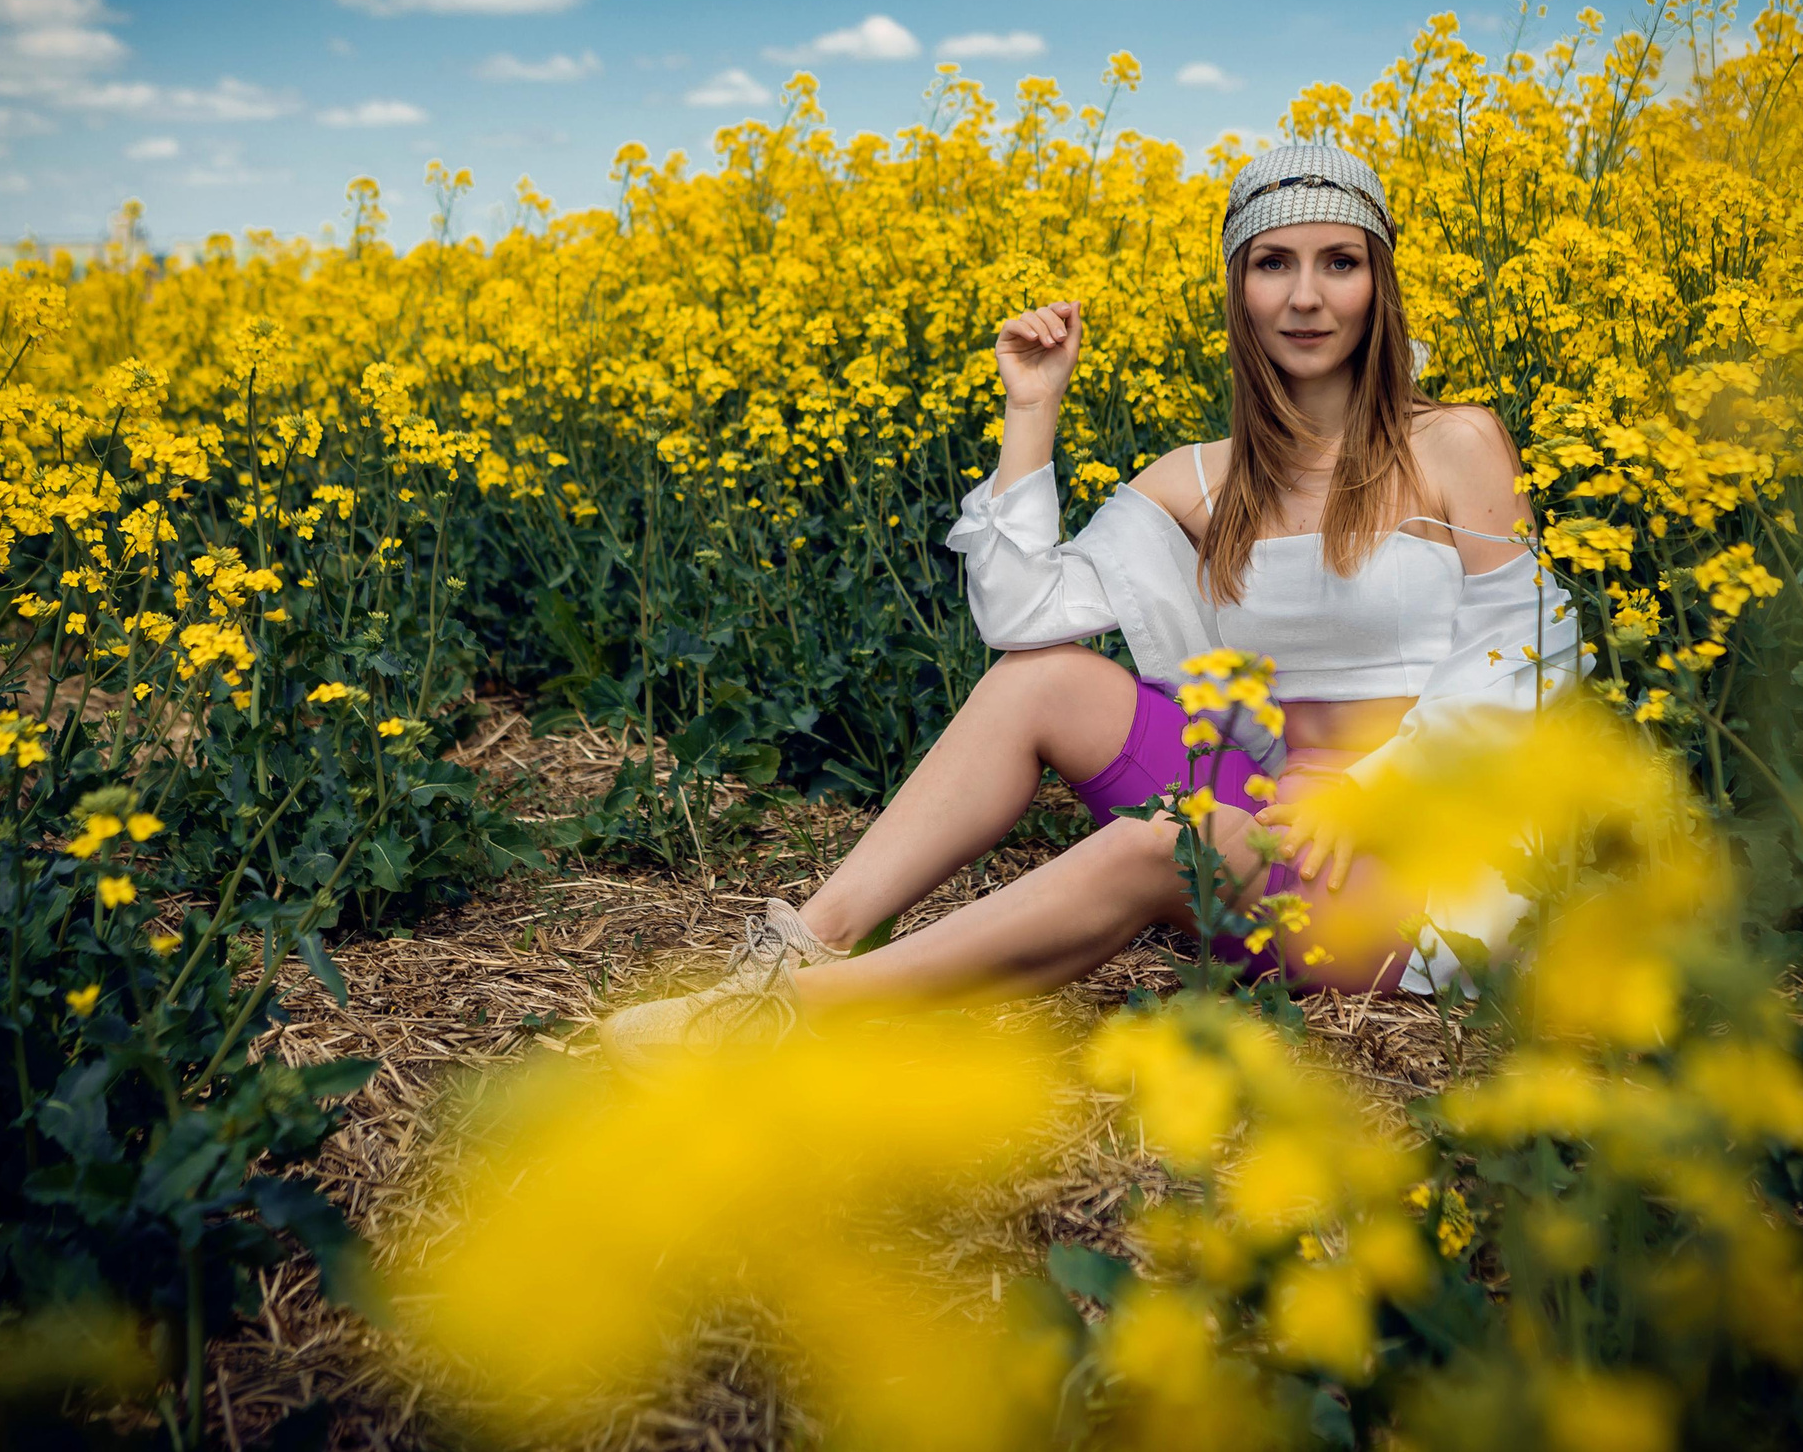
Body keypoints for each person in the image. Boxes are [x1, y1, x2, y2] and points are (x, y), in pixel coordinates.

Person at [601, 145, 1585, 1071]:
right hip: (1272, 825)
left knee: (1173, 840)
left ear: (1379, 284)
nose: (1305, 296)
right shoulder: (1199, 480)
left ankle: (785, 1026)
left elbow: (1526, 657)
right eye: (1272, 263)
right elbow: (1025, 616)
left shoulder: (1456, 445)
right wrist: (1032, 412)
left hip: (1414, 858)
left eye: (1339, 263)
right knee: (1044, 680)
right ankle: (798, 950)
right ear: (1238, 290)